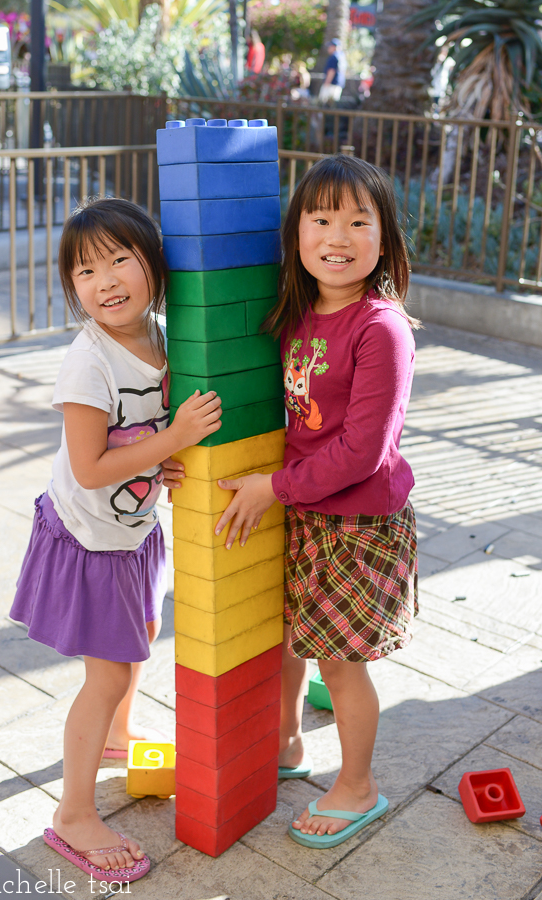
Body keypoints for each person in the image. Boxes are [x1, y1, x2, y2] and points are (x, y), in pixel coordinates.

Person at [10, 198, 222, 880]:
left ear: (153, 266)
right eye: (83, 270)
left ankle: (115, 741)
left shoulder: (162, 336)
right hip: (88, 537)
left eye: (119, 260)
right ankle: (72, 813)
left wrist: (162, 458)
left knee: (136, 642)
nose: (103, 280)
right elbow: (90, 465)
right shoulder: (87, 363)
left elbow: (134, 443)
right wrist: (172, 439)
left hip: (129, 529)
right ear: (71, 287)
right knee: (106, 674)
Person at [212, 155, 419, 849]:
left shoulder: (379, 327)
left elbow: (361, 450)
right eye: (320, 218)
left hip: (358, 522)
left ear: (383, 240)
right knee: (292, 637)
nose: (338, 235)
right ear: (294, 232)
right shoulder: (294, 310)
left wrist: (270, 488)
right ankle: (288, 742)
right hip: (304, 511)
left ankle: (358, 786)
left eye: (358, 221)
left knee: (339, 660)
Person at [318, 37, 346, 105]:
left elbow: (331, 71)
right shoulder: (342, 56)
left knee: (323, 103)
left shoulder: (334, 57)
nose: (328, 48)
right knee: (333, 105)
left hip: (331, 85)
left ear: (334, 47)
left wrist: (326, 83)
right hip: (338, 85)